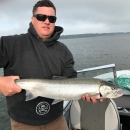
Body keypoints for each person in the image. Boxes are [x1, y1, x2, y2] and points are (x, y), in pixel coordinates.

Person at [0, 0, 103, 130]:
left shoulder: (64, 51)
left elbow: (70, 80)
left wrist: (84, 93)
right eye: (41, 17)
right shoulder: (9, 44)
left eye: (52, 18)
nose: (47, 21)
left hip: (57, 120)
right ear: (33, 19)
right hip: (23, 123)